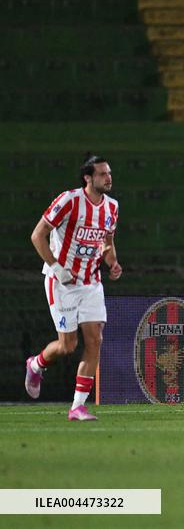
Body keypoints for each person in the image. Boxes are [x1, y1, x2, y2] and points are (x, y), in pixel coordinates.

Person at [25, 155, 122, 421]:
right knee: (67, 345)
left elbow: (107, 242)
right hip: (62, 283)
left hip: (91, 282)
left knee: (95, 340)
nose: (108, 177)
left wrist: (112, 262)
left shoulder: (111, 207)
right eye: (102, 174)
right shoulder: (69, 201)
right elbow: (37, 235)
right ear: (88, 178)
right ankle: (36, 363)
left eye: (109, 173)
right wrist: (57, 267)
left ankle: (77, 406)